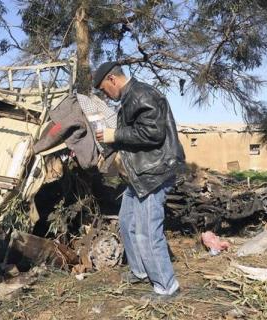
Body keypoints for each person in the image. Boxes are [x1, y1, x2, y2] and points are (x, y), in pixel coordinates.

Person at [92, 61, 185, 300]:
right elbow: (136, 136)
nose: (105, 94)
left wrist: (116, 134)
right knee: (127, 222)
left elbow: (154, 133)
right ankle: (141, 271)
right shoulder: (128, 99)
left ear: (112, 79)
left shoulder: (142, 94)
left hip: (155, 173)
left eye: (104, 89)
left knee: (146, 230)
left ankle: (166, 287)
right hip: (140, 174)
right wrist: (110, 142)